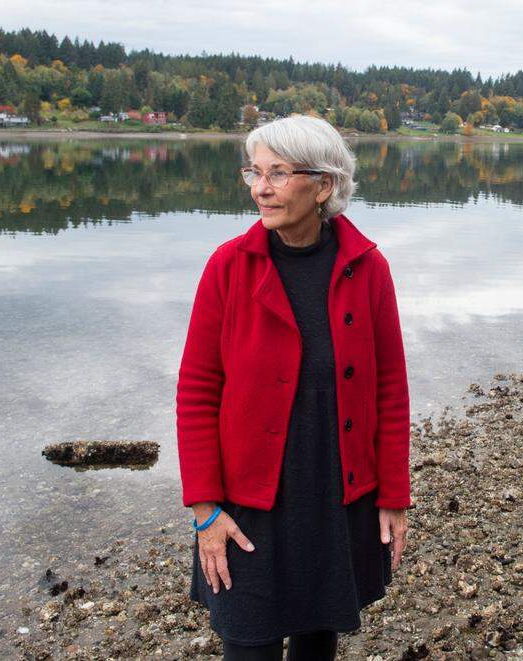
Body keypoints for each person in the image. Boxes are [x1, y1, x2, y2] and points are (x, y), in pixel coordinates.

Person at [176, 114, 412, 661]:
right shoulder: (228, 267)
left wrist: (393, 494)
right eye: (254, 173)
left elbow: (391, 390)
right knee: (249, 644)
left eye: (278, 173)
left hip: (335, 496)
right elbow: (196, 391)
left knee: (317, 640)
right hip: (247, 507)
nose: (261, 188)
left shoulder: (367, 268)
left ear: (323, 185)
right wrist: (205, 510)